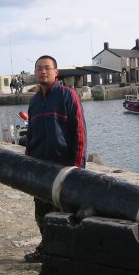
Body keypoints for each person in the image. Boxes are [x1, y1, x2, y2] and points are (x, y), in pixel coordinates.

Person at [24, 55, 87, 263]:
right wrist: (29, 165)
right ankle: (46, 249)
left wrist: (76, 168)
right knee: (42, 214)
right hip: (40, 168)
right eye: (39, 68)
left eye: (47, 68)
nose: (43, 72)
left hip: (63, 167)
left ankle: (69, 253)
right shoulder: (34, 102)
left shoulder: (68, 96)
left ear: (56, 72)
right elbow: (31, 135)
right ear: (35, 73)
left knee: (64, 214)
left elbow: (79, 133)